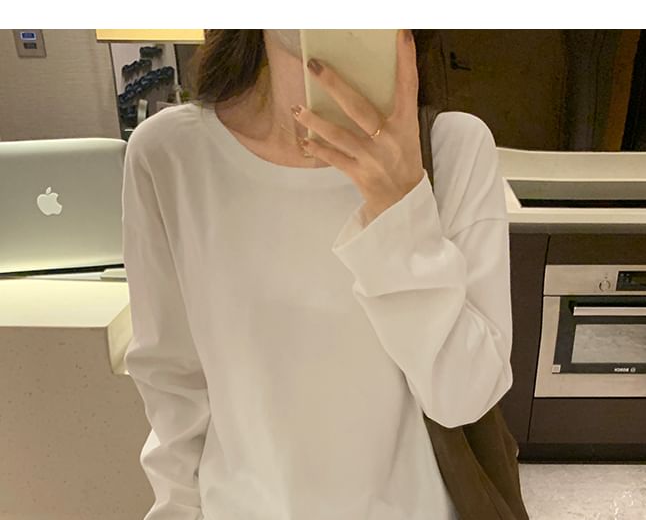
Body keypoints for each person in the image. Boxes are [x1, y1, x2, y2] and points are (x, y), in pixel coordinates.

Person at [122, 29, 514, 520]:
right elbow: (173, 384)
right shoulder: (170, 154)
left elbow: (464, 399)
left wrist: (401, 209)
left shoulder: (453, 147)